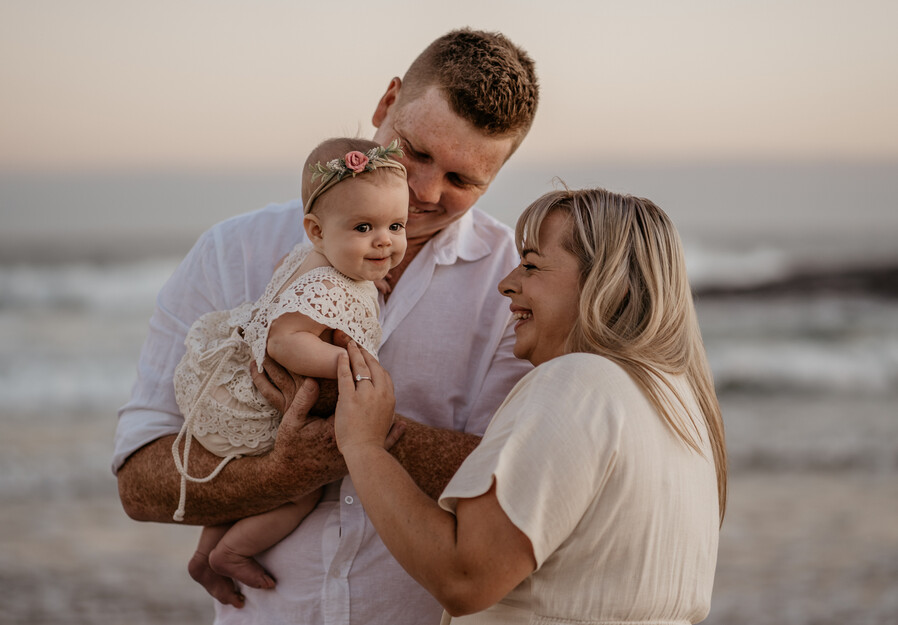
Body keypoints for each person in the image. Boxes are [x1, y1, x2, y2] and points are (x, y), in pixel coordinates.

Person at [113, 28, 539, 624]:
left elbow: (511, 486)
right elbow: (139, 481)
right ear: (387, 103)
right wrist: (274, 476)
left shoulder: (515, 285)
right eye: (414, 151)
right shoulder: (233, 250)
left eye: (462, 180)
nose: (422, 191)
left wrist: (362, 428)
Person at [334, 187, 728, 624]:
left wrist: (364, 445)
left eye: (532, 265)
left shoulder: (578, 383)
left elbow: (465, 577)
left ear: (605, 280)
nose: (508, 283)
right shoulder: (681, 409)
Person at [171, 137, 409, 602]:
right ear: (316, 231)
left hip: (229, 385)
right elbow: (284, 341)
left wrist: (365, 268)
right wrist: (347, 362)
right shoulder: (323, 284)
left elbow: (292, 276)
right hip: (249, 407)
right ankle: (230, 554)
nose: (384, 240)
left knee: (245, 477)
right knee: (299, 491)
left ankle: (205, 553)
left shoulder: (317, 258)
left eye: (396, 225)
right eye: (364, 227)